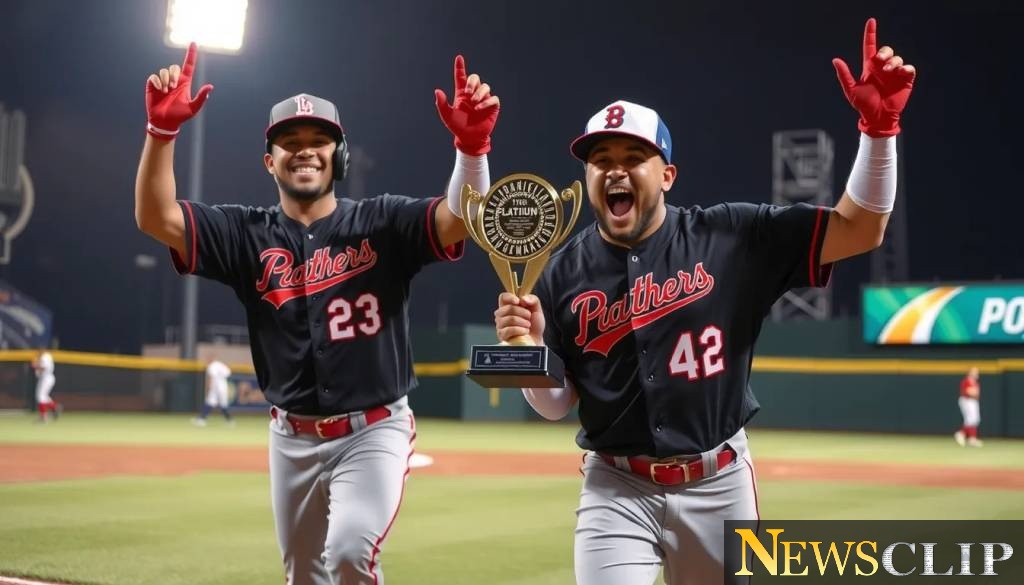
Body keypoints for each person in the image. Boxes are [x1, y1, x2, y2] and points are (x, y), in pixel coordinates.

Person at [494, 18, 914, 585]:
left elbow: (859, 229)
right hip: (616, 487)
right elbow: (556, 403)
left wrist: (878, 130)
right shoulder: (560, 270)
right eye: (600, 159)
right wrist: (530, 348)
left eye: (632, 156)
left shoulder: (732, 237)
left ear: (666, 175)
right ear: (586, 177)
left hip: (719, 483)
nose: (614, 167)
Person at [135, 43, 499, 585]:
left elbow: (458, 221)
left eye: (318, 140)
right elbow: (156, 217)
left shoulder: (382, 222)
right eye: (289, 142)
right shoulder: (244, 233)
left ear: (340, 154)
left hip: (372, 430)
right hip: (291, 436)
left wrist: (471, 150)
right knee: (304, 577)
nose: (304, 151)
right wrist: (160, 134)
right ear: (270, 160)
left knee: (351, 553)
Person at [192, 357, 233, 427]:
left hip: (216, 386)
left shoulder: (212, 366)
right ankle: (202, 418)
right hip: (223, 386)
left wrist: (208, 387)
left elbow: (212, 377)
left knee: (215, 402)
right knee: (214, 402)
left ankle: (229, 420)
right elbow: (228, 373)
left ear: (210, 360)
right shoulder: (220, 364)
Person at [954, 366, 983, 447]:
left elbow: (976, 393)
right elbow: (968, 392)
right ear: (970, 373)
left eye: (977, 372)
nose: (977, 374)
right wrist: (973, 392)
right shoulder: (966, 381)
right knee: (970, 419)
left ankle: (970, 438)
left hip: (973, 401)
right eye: (974, 372)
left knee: (975, 420)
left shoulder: (975, 382)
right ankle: (962, 434)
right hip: (967, 401)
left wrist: (973, 392)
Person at [32, 350, 60, 423]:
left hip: (47, 378)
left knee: (41, 396)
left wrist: (36, 365)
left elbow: (44, 367)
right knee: (43, 396)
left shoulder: (46, 356)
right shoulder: (42, 356)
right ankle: (54, 407)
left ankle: (43, 417)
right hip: (44, 378)